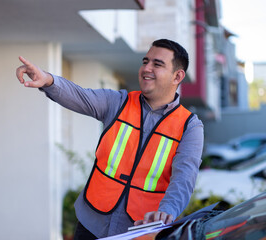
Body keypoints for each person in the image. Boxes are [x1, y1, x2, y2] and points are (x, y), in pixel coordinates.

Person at [16, 39, 204, 239]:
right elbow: (80, 96)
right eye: (145, 61)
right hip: (92, 223)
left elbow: (184, 178)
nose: (146, 68)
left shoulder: (190, 127)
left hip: (140, 232)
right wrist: (48, 80)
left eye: (157, 64)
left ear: (177, 76)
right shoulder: (118, 102)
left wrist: (167, 212)